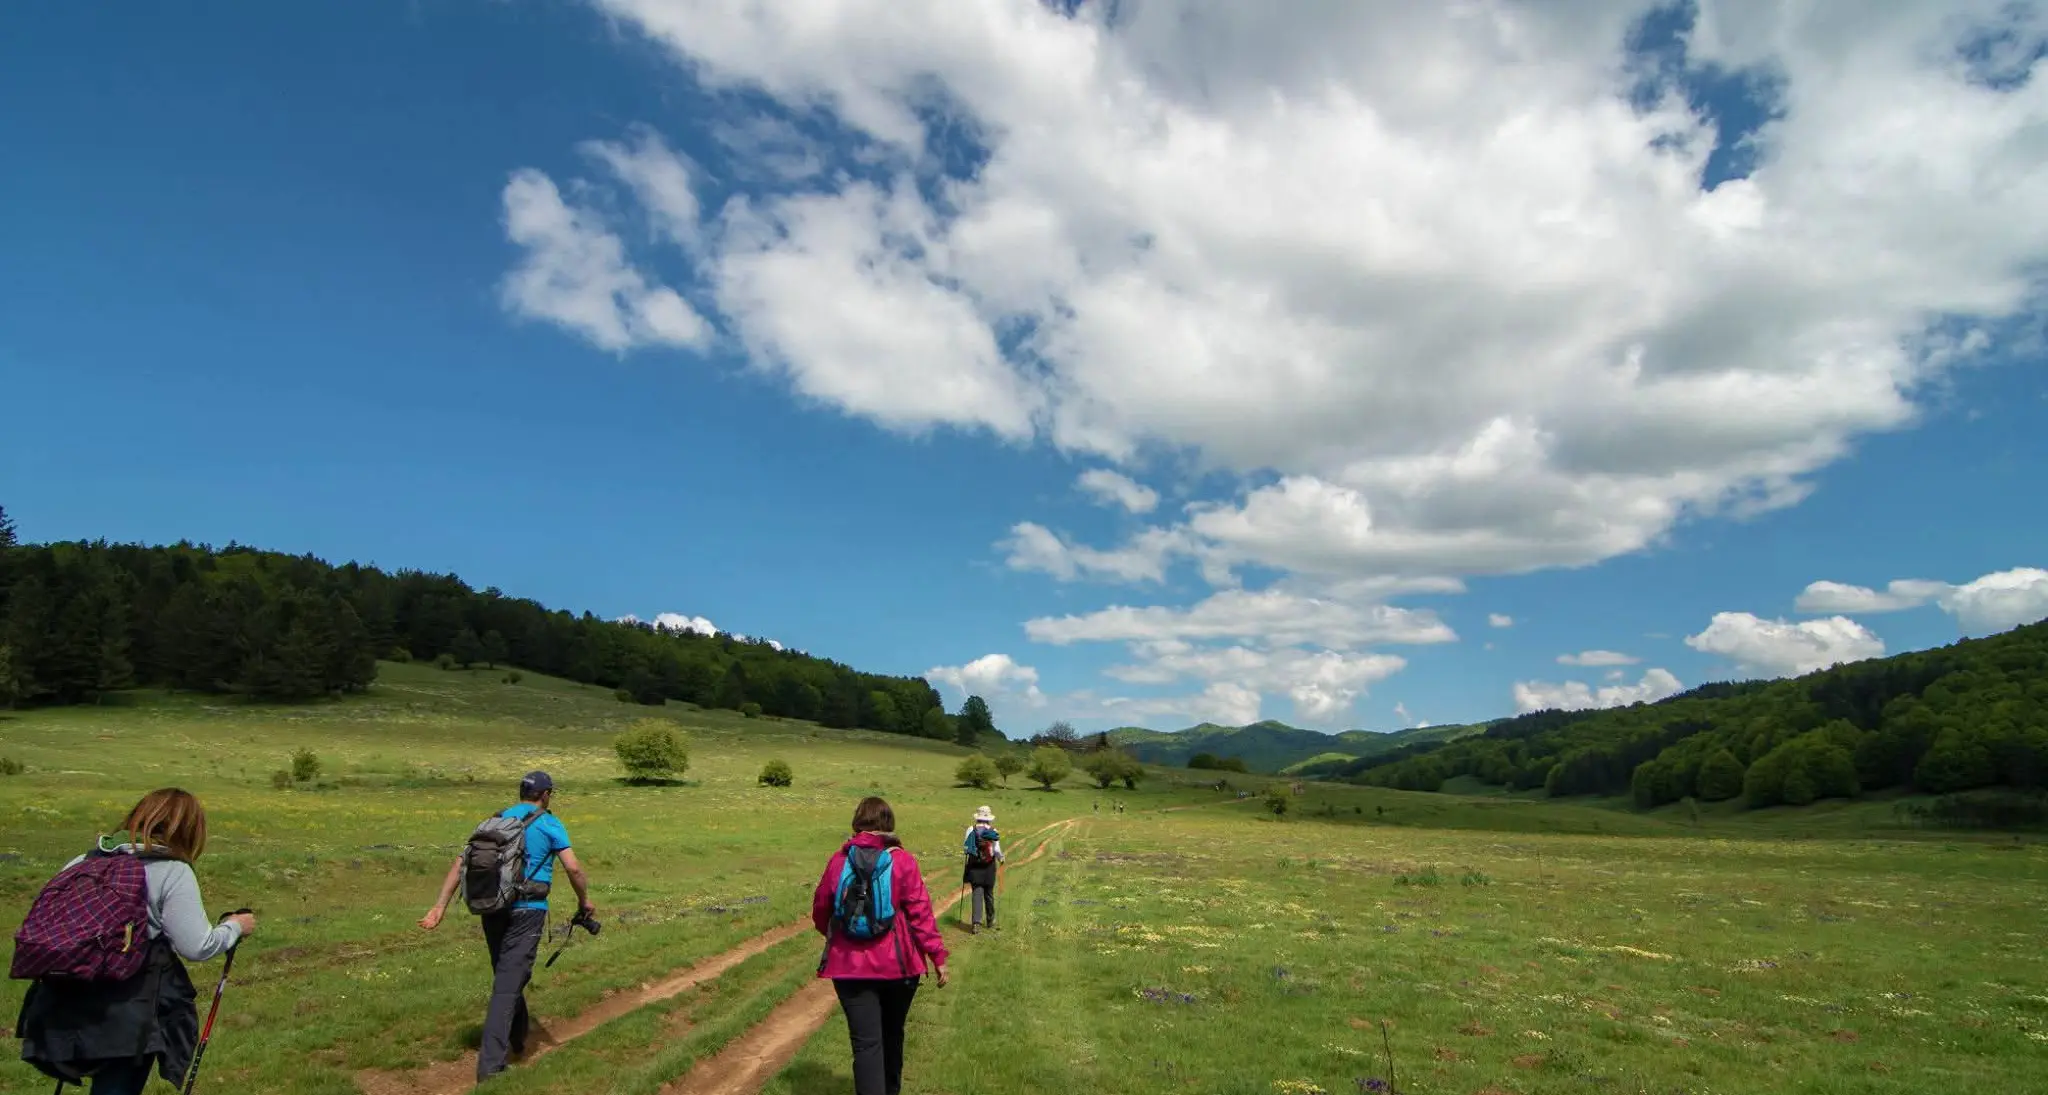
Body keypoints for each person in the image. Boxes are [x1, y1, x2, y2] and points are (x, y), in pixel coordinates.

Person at [15, 788, 258, 1095]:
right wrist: (235, 926)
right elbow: (197, 946)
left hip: (64, 999)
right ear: (189, 831)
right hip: (128, 1008)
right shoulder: (172, 871)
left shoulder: (83, 861)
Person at [418, 770, 594, 1083]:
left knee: (507, 975)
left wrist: (439, 907)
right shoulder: (549, 822)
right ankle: (490, 1068)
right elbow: (574, 868)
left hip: (493, 907)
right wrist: (584, 902)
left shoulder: (493, 821)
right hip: (528, 910)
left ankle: (518, 1035)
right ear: (546, 795)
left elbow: (461, 864)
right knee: (508, 982)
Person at [813, 796, 948, 1095]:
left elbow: (822, 909)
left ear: (857, 823)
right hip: (899, 968)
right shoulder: (903, 861)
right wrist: (937, 956)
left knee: (866, 1045)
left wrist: (838, 938)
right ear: (888, 824)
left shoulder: (838, 861)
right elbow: (920, 914)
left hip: (849, 968)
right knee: (892, 1036)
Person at [960, 805, 1004, 934]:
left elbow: (966, 848)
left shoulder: (971, 829)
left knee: (977, 894)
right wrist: (1001, 858)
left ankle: (976, 924)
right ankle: (990, 920)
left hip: (974, 866)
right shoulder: (993, 830)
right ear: (989, 818)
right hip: (989, 867)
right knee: (989, 893)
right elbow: (996, 850)